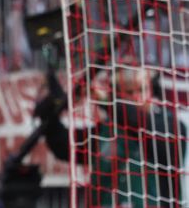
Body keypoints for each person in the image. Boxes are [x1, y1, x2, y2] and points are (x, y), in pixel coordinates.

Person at [35, 64, 187, 207]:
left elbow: (137, 121)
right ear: (117, 95)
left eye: (142, 89)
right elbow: (65, 147)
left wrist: (103, 99)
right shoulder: (107, 131)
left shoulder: (169, 126)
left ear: (151, 91)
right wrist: (50, 113)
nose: (137, 97)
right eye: (129, 92)